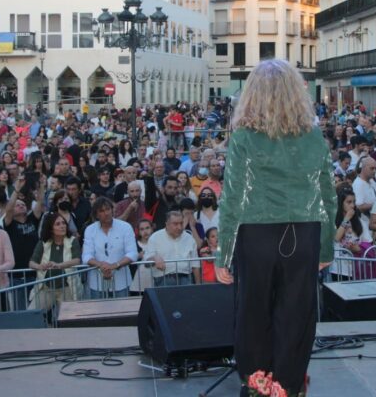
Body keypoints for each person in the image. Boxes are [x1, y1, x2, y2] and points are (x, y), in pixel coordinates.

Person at [213, 59, 336, 397]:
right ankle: (289, 389)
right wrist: (326, 247)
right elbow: (327, 195)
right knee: (297, 317)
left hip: (257, 236)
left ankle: (258, 390)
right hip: (305, 234)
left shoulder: (243, 138)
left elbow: (233, 199)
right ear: (296, 92)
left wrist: (223, 254)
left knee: (253, 316)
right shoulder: (313, 137)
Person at [28, 212, 82, 317]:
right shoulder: (43, 242)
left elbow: (77, 260)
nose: (62, 226)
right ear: (51, 229)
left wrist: (59, 265)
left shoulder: (73, 240)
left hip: (67, 288)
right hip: (46, 288)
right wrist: (40, 267)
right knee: (30, 315)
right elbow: (31, 263)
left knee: (71, 320)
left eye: (63, 223)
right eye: (58, 224)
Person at [81, 197, 137, 298]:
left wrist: (115, 265)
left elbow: (132, 253)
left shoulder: (125, 227)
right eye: (101, 211)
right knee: (98, 313)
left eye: (108, 209)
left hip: (121, 282)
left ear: (112, 210)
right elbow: (86, 256)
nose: (106, 213)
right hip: (97, 283)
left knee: (122, 312)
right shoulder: (90, 230)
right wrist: (101, 265)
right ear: (96, 215)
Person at [144, 210, 200, 286]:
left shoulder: (189, 238)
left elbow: (195, 264)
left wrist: (198, 285)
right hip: (164, 279)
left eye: (181, 223)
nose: (179, 227)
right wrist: (154, 258)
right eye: (175, 224)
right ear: (167, 224)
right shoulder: (155, 237)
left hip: (186, 279)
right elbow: (146, 262)